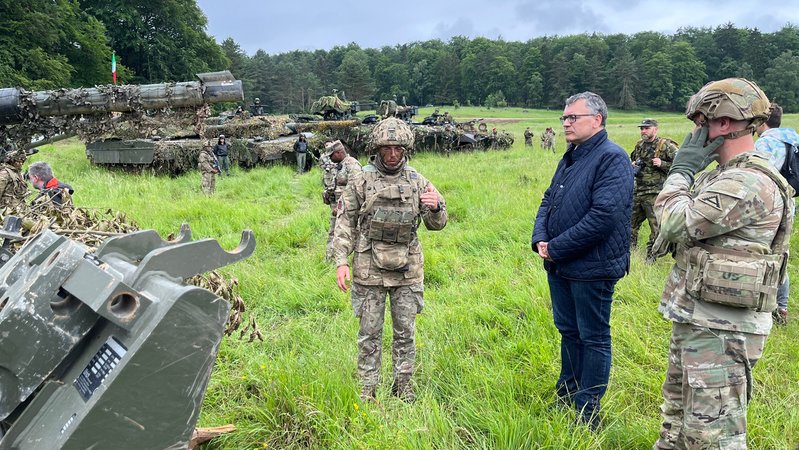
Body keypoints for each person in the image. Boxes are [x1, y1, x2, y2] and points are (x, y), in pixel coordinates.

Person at [652, 78, 793, 449]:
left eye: (701, 123)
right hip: (700, 321)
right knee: (678, 424)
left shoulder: (746, 181)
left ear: (725, 123)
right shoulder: (723, 177)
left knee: (712, 436)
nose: (695, 134)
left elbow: (674, 223)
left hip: (723, 331)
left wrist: (680, 172)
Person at [532, 91, 633, 429]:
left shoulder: (612, 159)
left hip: (593, 267)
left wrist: (556, 247)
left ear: (597, 120)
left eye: (572, 117)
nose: (565, 123)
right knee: (569, 331)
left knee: (593, 336)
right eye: (564, 118)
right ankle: (567, 393)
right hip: (561, 264)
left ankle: (588, 409)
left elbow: (603, 217)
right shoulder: (571, 157)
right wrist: (540, 239)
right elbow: (549, 199)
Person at [330, 117, 447, 403]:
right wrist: (341, 261)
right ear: (377, 149)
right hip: (368, 269)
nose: (393, 154)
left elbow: (438, 223)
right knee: (369, 334)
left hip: (407, 269)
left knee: (405, 332)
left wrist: (435, 208)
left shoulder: (418, 181)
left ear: (406, 149)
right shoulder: (361, 180)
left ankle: (403, 386)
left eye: (398, 148)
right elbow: (344, 222)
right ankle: (367, 389)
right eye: (386, 149)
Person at [755, 102, 797, 326]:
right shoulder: (792, 138)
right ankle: (782, 308)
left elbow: (757, 176)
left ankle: (768, 304)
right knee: (780, 254)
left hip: (769, 205)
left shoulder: (768, 142)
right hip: (789, 204)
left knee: (763, 253)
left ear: (762, 121)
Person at [629, 118, 678, 263]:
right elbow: (633, 160)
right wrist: (632, 164)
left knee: (656, 228)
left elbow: (680, 165)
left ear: (655, 130)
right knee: (629, 224)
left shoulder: (666, 145)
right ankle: (630, 253)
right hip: (638, 191)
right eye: (642, 128)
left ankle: (651, 257)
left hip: (655, 193)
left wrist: (663, 164)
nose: (643, 131)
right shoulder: (639, 146)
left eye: (647, 128)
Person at [322, 140, 362, 260]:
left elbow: (355, 189)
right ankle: (331, 258)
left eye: (332, 155)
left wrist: (341, 206)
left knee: (349, 233)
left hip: (347, 209)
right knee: (334, 233)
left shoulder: (352, 165)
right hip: (338, 207)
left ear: (339, 153)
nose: (330, 158)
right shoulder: (340, 165)